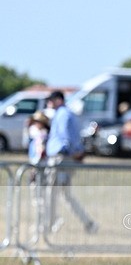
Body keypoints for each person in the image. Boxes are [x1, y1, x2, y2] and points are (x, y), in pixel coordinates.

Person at [45, 90, 98, 234]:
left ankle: (48, 225)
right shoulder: (65, 114)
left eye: (51, 100)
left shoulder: (63, 114)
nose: (49, 103)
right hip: (64, 157)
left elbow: (66, 136)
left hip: (60, 158)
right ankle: (88, 222)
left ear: (58, 100)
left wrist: (71, 151)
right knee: (65, 194)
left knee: (52, 192)